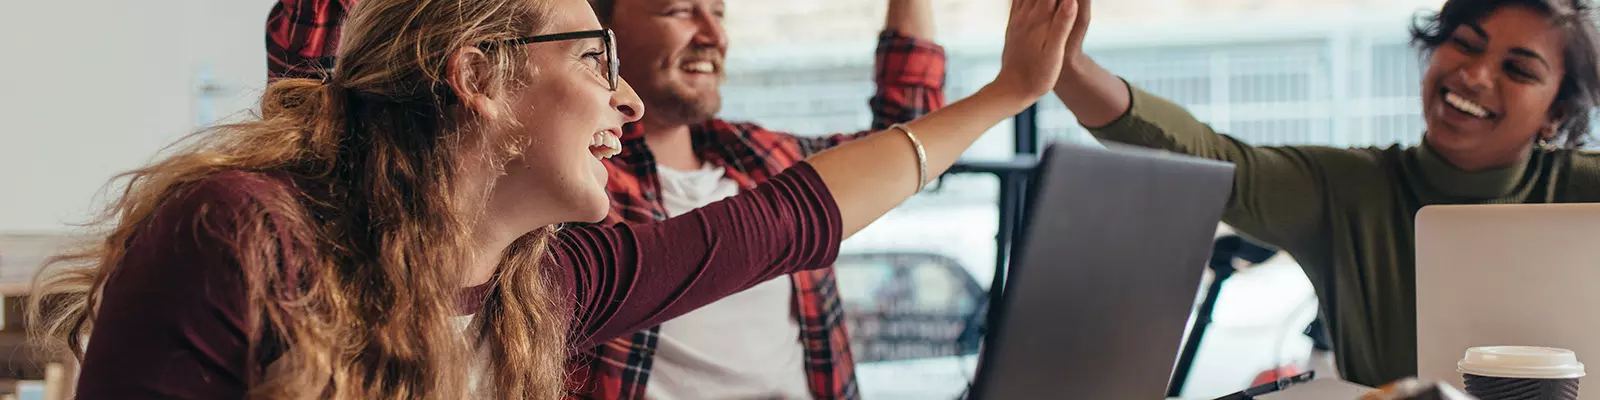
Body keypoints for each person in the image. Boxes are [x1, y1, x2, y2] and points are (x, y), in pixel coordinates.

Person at [29, 0, 1079, 398]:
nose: (619, 91)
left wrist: (1011, 94)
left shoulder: (542, 281)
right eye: (595, 55)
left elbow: (796, 214)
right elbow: (316, 53)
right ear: (479, 76)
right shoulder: (240, 238)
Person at [268, 1, 945, 397]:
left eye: (720, 11)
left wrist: (1017, 83)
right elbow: (331, 79)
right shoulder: (562, 187)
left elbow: (904, 137)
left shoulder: (762, 158)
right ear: (610, 32)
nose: (712, 32)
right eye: (680, 9)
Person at [1050, 0, 1600, 387]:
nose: (1477, 75)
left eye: (1518, 69)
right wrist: (1066, 68)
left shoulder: (1584, 188)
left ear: (1556, 113)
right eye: (1464, 44)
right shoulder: (1346, 189)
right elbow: (1209, 157)